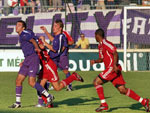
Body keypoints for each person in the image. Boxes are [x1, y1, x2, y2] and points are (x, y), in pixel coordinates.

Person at [90, 28, 150, 112]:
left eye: (95, 36)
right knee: (122, 90)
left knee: (96, 82)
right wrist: (95, 61)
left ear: (97, 35)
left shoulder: (106, 43)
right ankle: (144, 101)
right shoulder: (100, 45)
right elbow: (102, 58)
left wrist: (114, 65)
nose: (94, 37)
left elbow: (115, 52)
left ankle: (104, 104)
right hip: (112, 69)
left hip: (111, 68)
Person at [9, 20, 54, 108]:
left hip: (33, 59)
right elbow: (33, 40)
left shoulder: (24, 33)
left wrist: (37, 48)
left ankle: (49, 96)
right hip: (27, 59)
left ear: (23, 28)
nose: (16, 26)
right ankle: (18, 103)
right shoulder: (22, 35)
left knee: (31, 82)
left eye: (19, 25)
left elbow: (33, 40)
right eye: (16, 25)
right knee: (18, 81)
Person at [36, 38, 84, 107]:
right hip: (44, 68)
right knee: (39, 85)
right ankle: (48, 103)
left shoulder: (35, 41)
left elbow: (42, 46)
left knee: (57, 88)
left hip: (49, 66)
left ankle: (73, 77)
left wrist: (40, 44)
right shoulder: (31, 44)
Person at [40, 19, 74, 91]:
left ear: (60, 28)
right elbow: (53, 40)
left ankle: (69, 84)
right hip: (55, 56)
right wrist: (46, 32)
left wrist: (63, 46)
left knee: (65, 70)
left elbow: (71, 41)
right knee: (51, 71)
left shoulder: (63, 34)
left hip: (62, 55)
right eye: (54, 25)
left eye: (55, 26)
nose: (53, 27)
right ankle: (49, 86)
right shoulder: (57, 35)